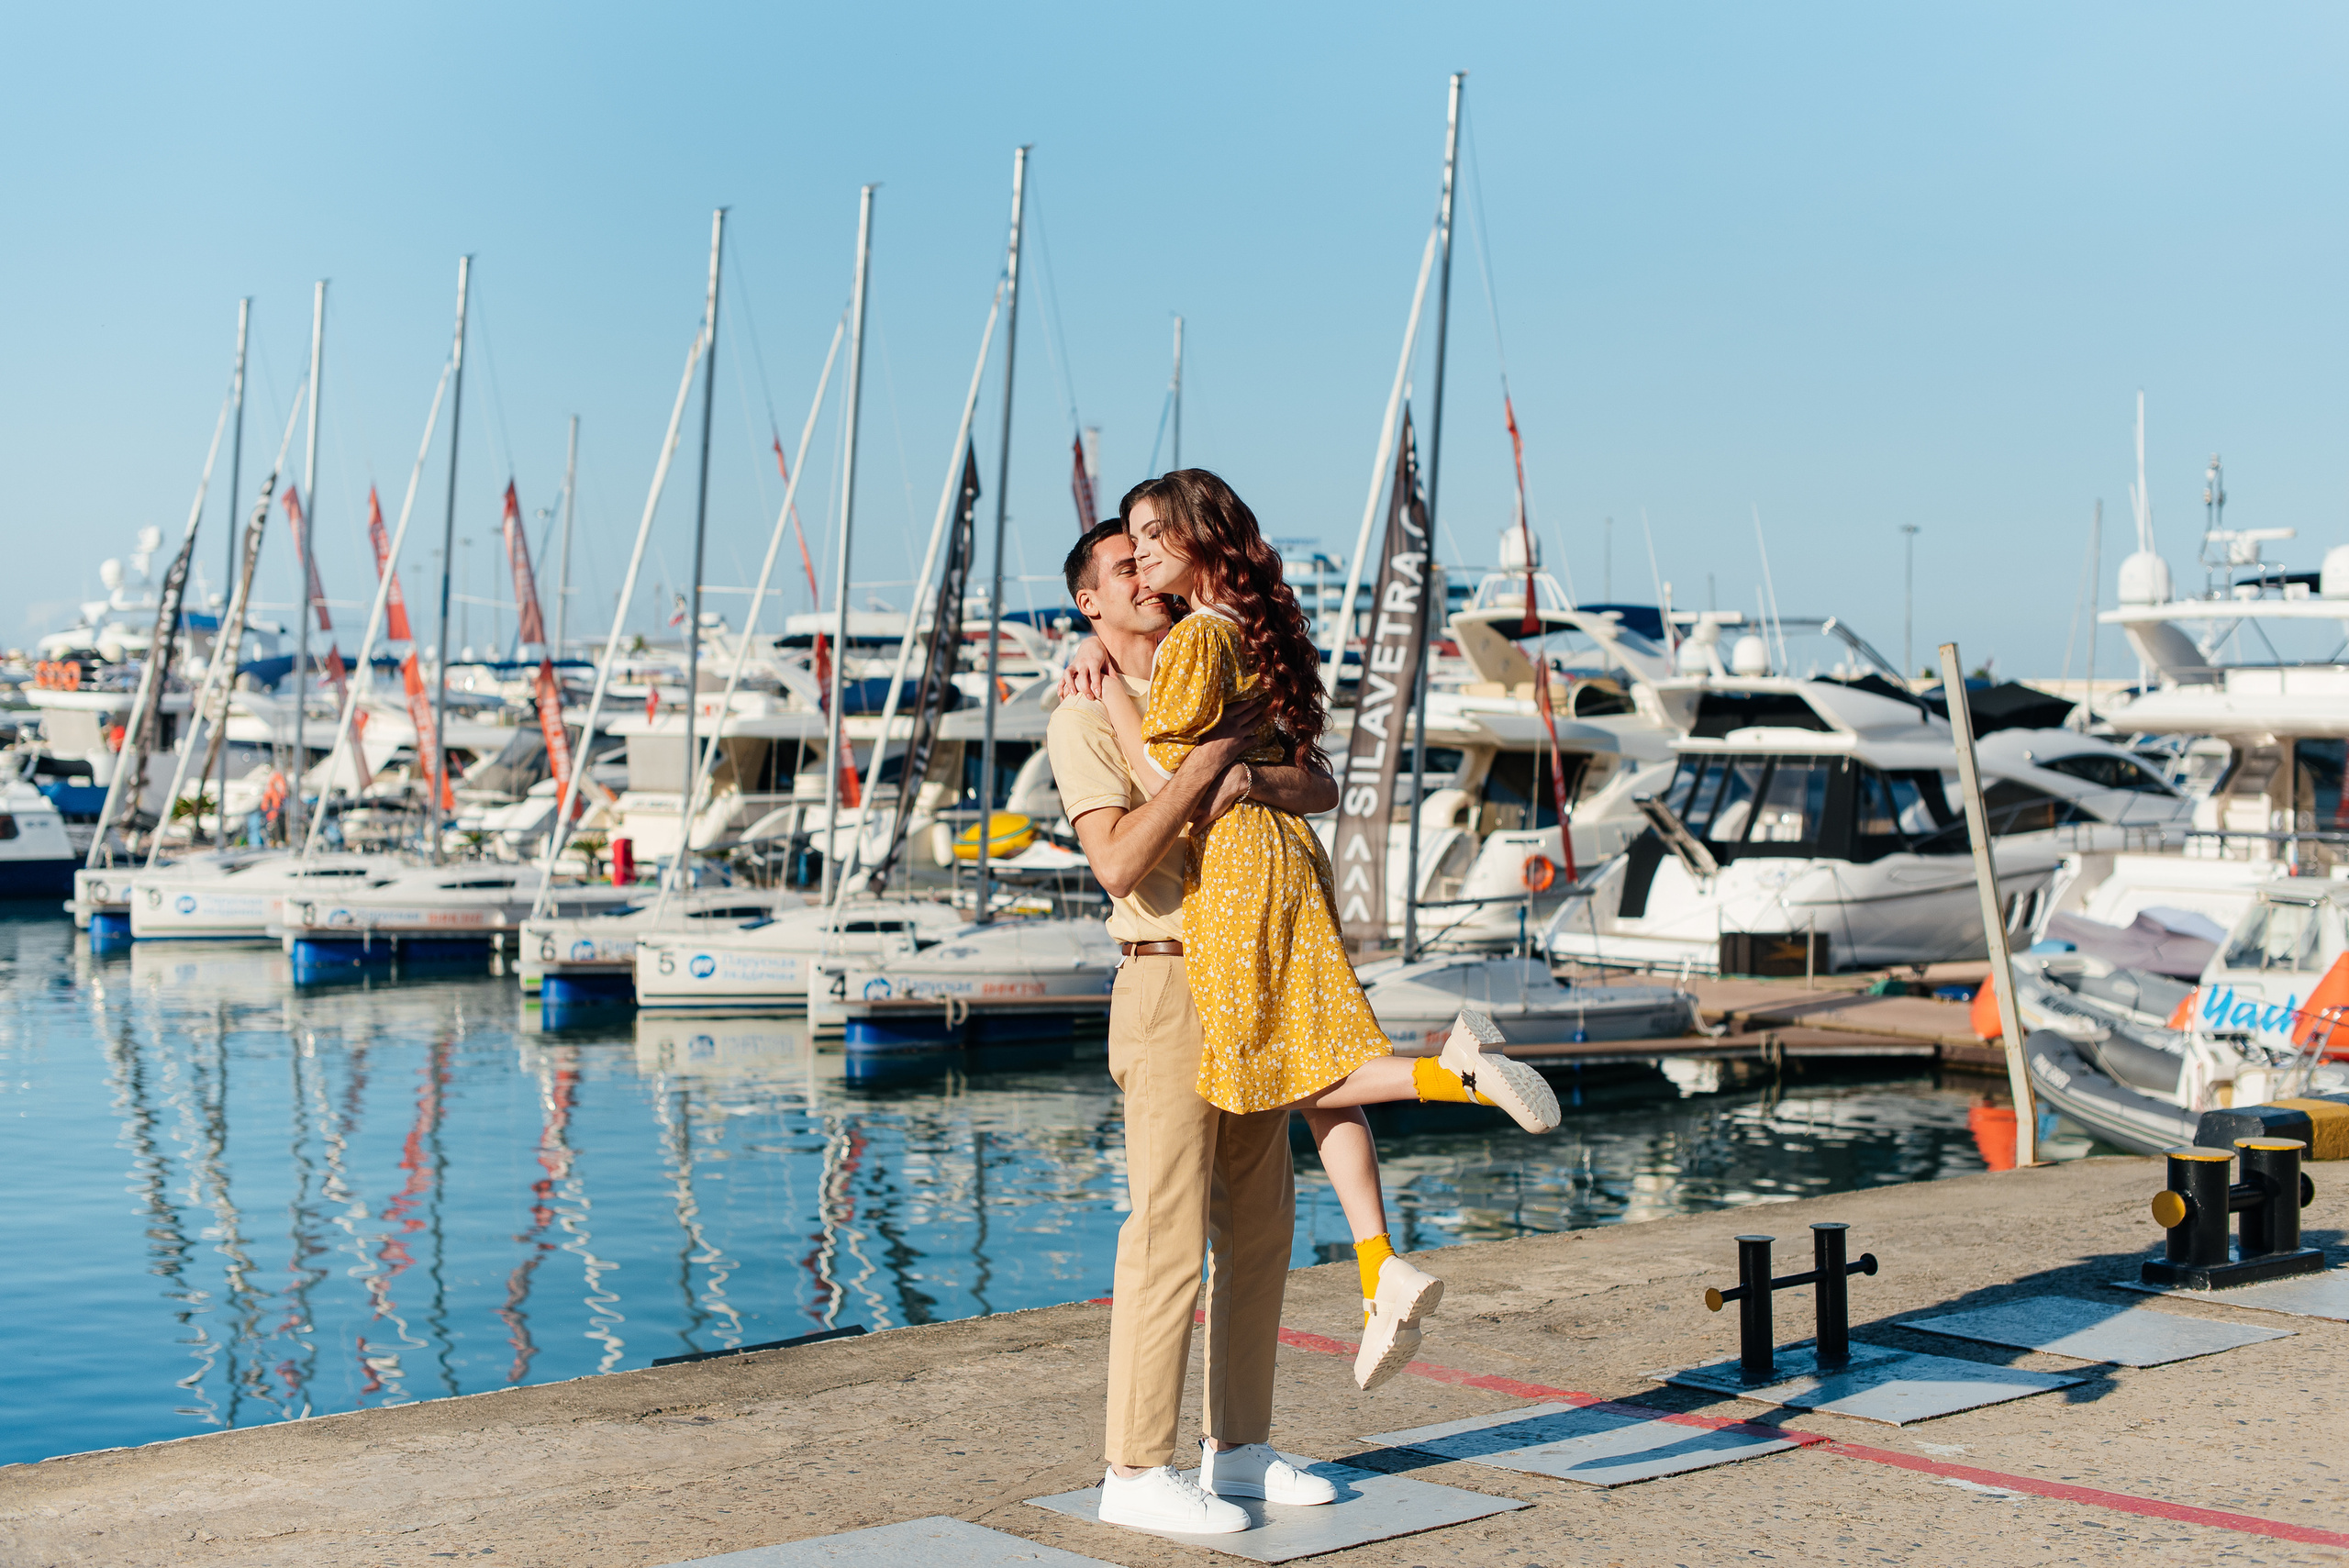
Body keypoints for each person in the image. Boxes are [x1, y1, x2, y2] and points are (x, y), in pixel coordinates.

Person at [1072, 469, 1561, 1395]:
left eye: (1149, 532)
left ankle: (1450, 1070)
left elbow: (1161, 769)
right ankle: (1379, 1269)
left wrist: (1106, 696)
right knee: (1309, 1060)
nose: (1137, 551)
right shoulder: (1260, 635)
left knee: (1286, 1066)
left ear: (1198, 534)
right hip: (1287, 855)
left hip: (1237, 874)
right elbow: (1302, 775)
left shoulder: (1197, 642)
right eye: (1127, 541)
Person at [1048, 518, 1338, 1536]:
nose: (1148, 574)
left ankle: (1242, 1448)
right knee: (1165, 1227)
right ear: (1091, 602)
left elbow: (1320, 783)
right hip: (1165, 978)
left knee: (1259, 1224)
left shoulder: (1213, 668)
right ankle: (1133, 1469)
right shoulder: (1082, 718)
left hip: (1246, 968)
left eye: (1151, 557)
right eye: (1125, 568)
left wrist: (1246, 765)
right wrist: (1215, 755)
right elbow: (1120, 863)